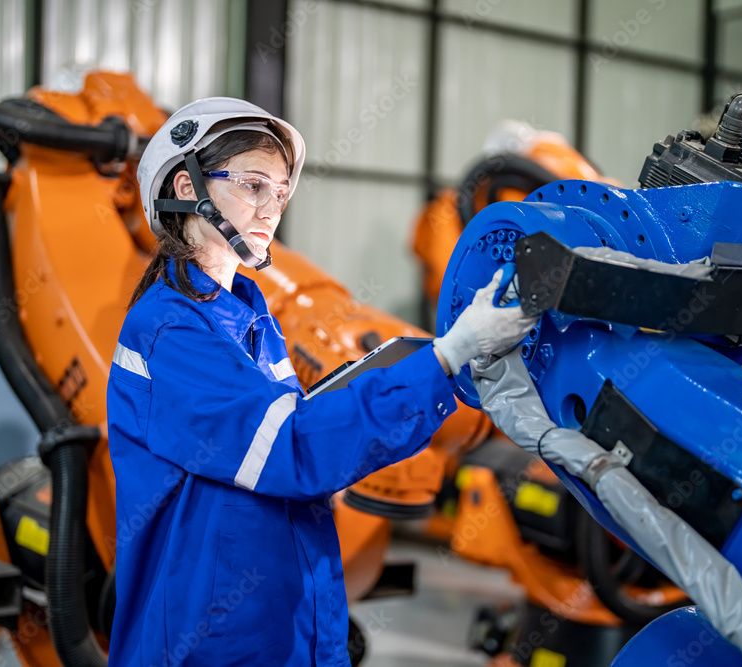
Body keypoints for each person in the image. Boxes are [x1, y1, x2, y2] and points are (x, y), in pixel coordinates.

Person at [106, 97, 536, 666]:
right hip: (209, 641)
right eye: (254, 185)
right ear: (187, 187)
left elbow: (292, 442)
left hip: (283, 623)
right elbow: (289, 448)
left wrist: (441, 371)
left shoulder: (250, 317)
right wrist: (446, 358)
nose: (271, 209)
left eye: (281, 193)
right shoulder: (169, 329)